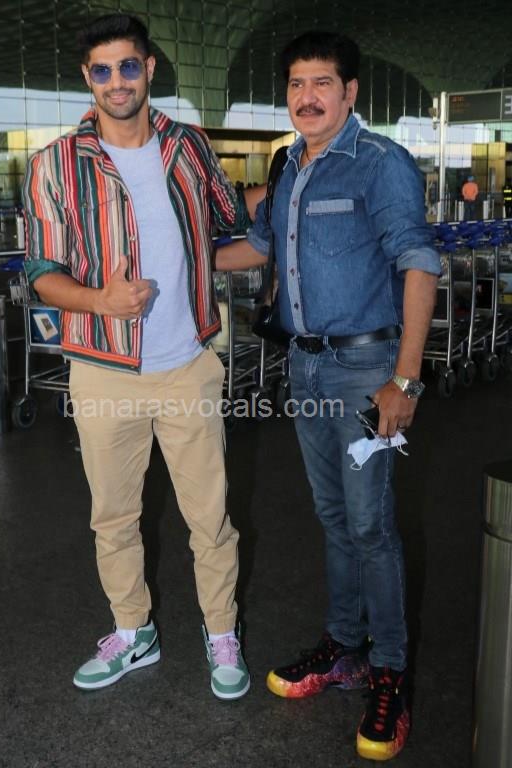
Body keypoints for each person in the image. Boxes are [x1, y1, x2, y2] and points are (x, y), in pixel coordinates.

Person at [22, 13, 263, 701]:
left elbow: (230, 219)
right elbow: (41, 272)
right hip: (103, 370)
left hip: (187, 363)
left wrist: (296, 182)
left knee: (209, 517)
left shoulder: (188, 147)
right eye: (102, 70)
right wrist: (100, 301)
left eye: (128, 66)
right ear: (87, 78)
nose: (117, 81)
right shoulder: (54, 165)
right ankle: (133, 630)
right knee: (113, 518)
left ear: (149, 68)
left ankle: (222, 632)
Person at [216, 30, 440, 760]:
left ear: (349, 93)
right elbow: (258, 247)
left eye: (321, 83)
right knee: (334, 517)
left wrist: (404, 378)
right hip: (305, 367)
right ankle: (344, 645)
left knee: (371, 525)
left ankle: (390, 670)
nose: (306, 97)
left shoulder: (379, 162)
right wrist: (179, 260)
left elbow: (418, 263)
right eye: (296, 84)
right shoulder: (288, 166)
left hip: (365, 368)